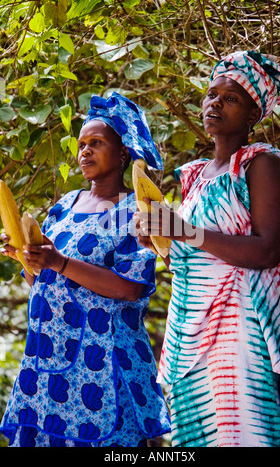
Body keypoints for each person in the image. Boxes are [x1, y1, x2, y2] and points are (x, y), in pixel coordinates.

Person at [134, 51, 280, 447]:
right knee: (197, 438)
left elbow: (266, 252)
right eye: (211, 94)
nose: (215, 103)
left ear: (252, 114)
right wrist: (160, 238)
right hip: (189, 329)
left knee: (243, 432)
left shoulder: (260, 165)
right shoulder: (194, 176)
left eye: (231, 98)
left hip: (240, 325)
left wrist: (184, 230)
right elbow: (196, 254)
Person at [0, 92, 170, 447]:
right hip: (50, 360)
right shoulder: (64, 206)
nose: (85, 152)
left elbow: (130, 288)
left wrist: (57, 261)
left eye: (96, 143)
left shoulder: (139, 210)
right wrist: (27, 256)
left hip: (105, 362)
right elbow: (42, 283)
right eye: (81, 145)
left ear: (123, 152)